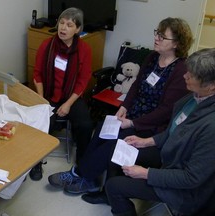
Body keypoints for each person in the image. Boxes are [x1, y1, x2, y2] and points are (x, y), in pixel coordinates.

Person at [47, 17, 193, 198]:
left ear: (176, 44)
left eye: (163, 37)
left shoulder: (180, 70)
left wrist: (133, 123)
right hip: (132, 114)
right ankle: (90, 180)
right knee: (101, 127)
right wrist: (124, 106)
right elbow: (136, 85)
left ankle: (80, 175)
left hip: (150, 126)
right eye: (157, 33)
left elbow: (165, 112)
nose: (156, 38)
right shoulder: (153, 57)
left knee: (115, 142)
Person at [105, 48, 215, 216]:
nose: (185, 76)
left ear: (211, 86)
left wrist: (146, 173)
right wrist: (145, 141)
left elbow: (191, 178)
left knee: (113, 187)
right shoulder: (194, 97)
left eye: (191, 75)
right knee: (118, 152)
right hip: (171, 158)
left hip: (184, 189)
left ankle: (116, 194)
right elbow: (174, 131)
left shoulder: (211, 126)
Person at [30, 8, 93, 181]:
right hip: (48, 95)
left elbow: (83, 80)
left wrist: (68, 104)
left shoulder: (84, 49)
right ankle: (36, 163)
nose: (63, 28)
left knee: (86, 125)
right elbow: (37, 74)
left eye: (69, 25)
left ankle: (82, 163)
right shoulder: (47, 45)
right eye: (61, 23)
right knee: (42, 123)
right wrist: (42, 99)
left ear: (78, 29)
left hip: (71, 97)